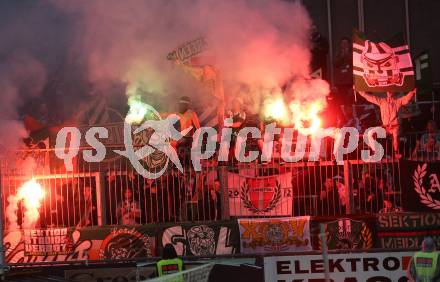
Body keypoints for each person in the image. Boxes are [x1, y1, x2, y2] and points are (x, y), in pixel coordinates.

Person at [357, 88, 416, 158]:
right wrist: (359, 91)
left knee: (396, 137)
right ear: (387, 93)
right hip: (385, 127)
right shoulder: (382, 101)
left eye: (391, 92)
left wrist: (412, 92)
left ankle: (396, 153)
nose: (389, 93)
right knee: (370, 133)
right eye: (388, 92)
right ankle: (375, 151)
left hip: (395, 126)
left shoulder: (398, 101)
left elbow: (406, 99)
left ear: (393, 93)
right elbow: (370, 97)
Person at [334, 37, 353, 104]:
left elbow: (354, 62)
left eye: (346, 43)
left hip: (350, 81)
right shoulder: (338, 53)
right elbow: (335, 63)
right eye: (342, 43)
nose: (344, 45)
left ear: (349, 44)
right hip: (340, 81)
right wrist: (342, 56)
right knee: (341, 98)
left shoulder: (352, 52)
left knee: (350, 98)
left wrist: (347, 54)